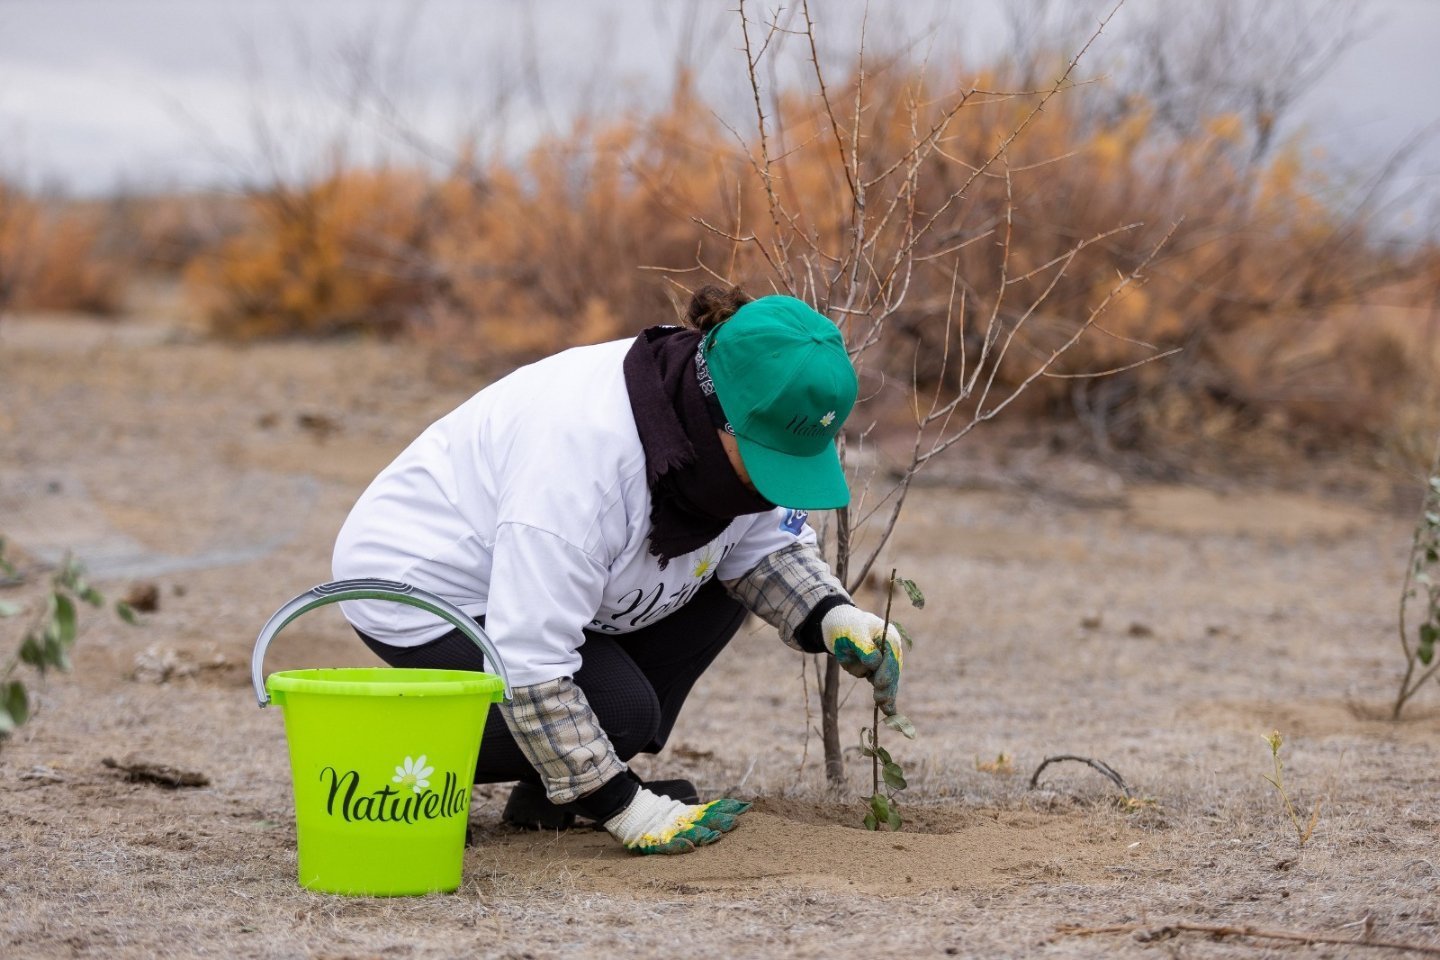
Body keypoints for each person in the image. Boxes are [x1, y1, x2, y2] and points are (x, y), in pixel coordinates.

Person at [332, 286, 904, 856]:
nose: (770, 482)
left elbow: (760, 545)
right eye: (766, 458)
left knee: (718, 586)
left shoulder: (720, 426)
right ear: (716, 417)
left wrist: (832, 615)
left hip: (554, 574)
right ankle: (382, 763)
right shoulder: (578, 469)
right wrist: (622, 804)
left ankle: (550, 791)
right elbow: (529, 662)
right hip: (425, 583)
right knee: (623, 713)